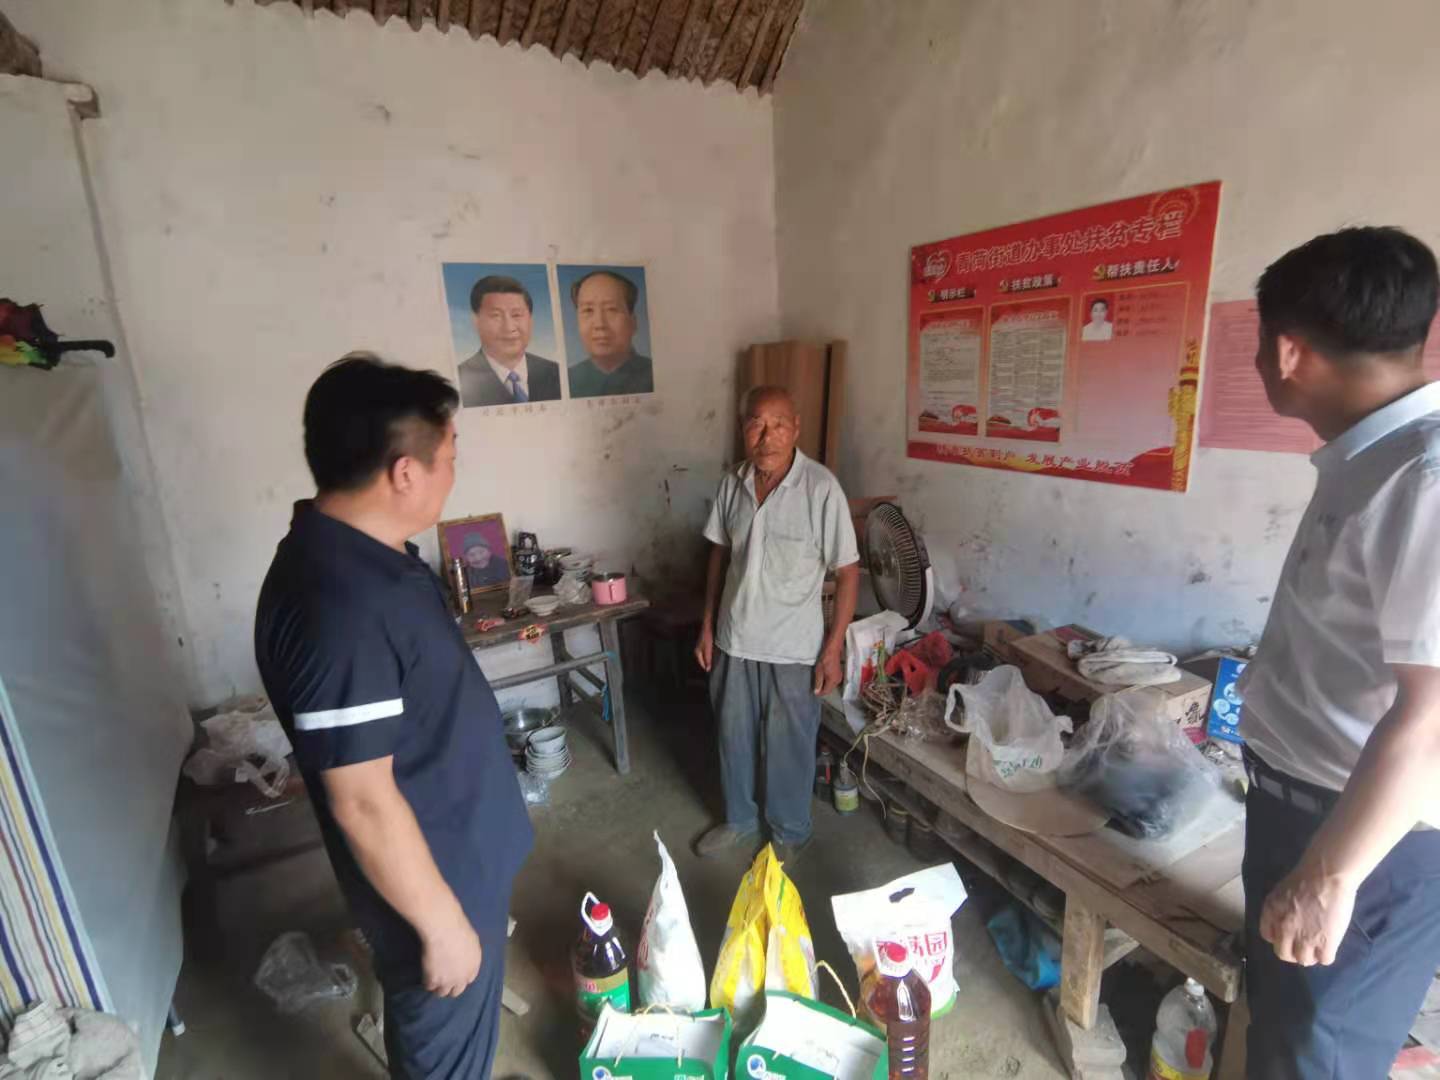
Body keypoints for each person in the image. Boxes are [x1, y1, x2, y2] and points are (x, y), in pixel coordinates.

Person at [255, 353, 532, 1079]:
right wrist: (441, 926)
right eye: (449, 457)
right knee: (445, 1050)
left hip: (457, 850)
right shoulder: (340, 606)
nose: (453, 473)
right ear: (405, 472)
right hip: (434, 880)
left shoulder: (364, 556)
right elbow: (362, 799)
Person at [1239, 226, 1440, 1078]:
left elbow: (1433, 714)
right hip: (1303, 813)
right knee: (1284, 1030)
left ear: (1288, 352)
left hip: (1363, 841)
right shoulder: (1376, 459)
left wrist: (1330, 876)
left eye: (1259, 345)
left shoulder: (1424, 479)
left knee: (1317, 1054)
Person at [693, 386, 860, 865]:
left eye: (779, 425)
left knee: (790, 745)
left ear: (796, 428)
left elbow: (848, 571)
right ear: (743, 428)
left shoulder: (821, 488)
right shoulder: (733, 483)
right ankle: (739, 820)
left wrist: (833, 649)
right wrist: (707, 624)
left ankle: (790, 830)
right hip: (734, 640)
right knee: (733, 738)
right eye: (756, 424)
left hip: (793, 647)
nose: (767, 437)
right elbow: (719, 554)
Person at [457, 275, 561, 407]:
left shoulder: (556, 372)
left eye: (516, 315)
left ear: (531, 319)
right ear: (476, 321)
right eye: (496, 316)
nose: (509, 327)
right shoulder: (459, 378)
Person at [566, 270, 654, 398]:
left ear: (633, 322)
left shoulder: (655, 374)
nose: (600, 324)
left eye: (611, 309)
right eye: (588, 310)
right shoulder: (567, 380)